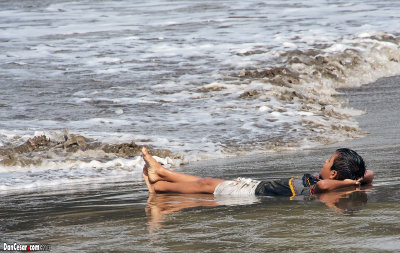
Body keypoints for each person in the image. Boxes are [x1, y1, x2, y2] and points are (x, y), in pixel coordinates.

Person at [141, 147, 374, 198]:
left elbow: (323, 187)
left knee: (206, 184)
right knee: (208, 182)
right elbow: (369, 174)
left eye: (328, 161)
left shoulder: (321, 186)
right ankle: (161, 175)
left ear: (333, 174)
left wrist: (351, 183)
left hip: (252, 192)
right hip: (255, 185)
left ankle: (159, 184)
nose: (324, 161)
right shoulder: (332, 182)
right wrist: (357, 180)